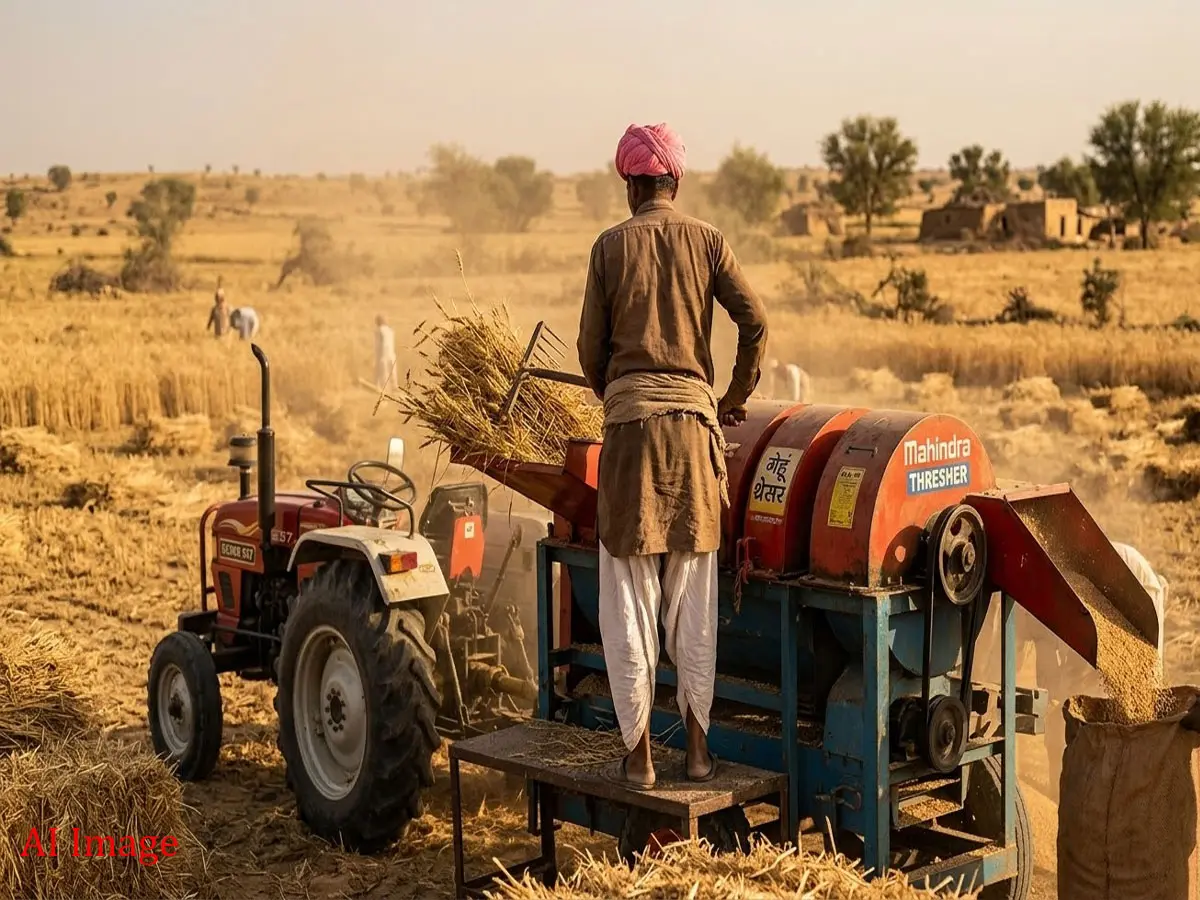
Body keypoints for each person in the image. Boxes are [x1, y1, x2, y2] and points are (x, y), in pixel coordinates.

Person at [577, 123, 768, 789]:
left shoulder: (608, 248)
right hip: (693, 437)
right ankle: (697, 753)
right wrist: (730, 396)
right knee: (692, 598)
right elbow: (756, 322)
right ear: (675, 183)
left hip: (630, 440)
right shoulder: (709, 242)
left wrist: (619, 396)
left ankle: (638, 758)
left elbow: (587, 352)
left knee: (627, 599)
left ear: (631, 187)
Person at [1038, 540, 1167, 790]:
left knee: (1141, 681)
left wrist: (1054, 702)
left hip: (1135, 581)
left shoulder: (1052, 591)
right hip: (1105, 587)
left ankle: (1137, 775)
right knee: (1080, 686)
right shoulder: (1047, 596)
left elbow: (1053, 672)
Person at [375, 314, 396, 389]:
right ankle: (394, 388)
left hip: (383, 355)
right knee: (392, 372)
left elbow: (378, 345)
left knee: (383, 373)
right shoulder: (390, 330)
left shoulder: (379, 330)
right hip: (391, 354)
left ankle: (384, 388)